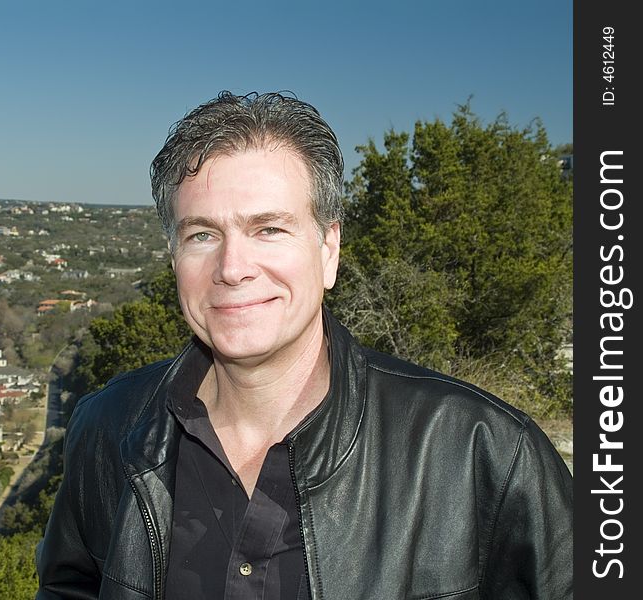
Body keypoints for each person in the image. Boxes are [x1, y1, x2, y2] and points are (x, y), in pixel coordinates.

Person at [36, 92, 573, 599]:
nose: (232, 268)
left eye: (268, 228)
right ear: (174, 256)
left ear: (329, 249)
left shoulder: (485, 454)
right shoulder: (108, 430)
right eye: (202, 234)